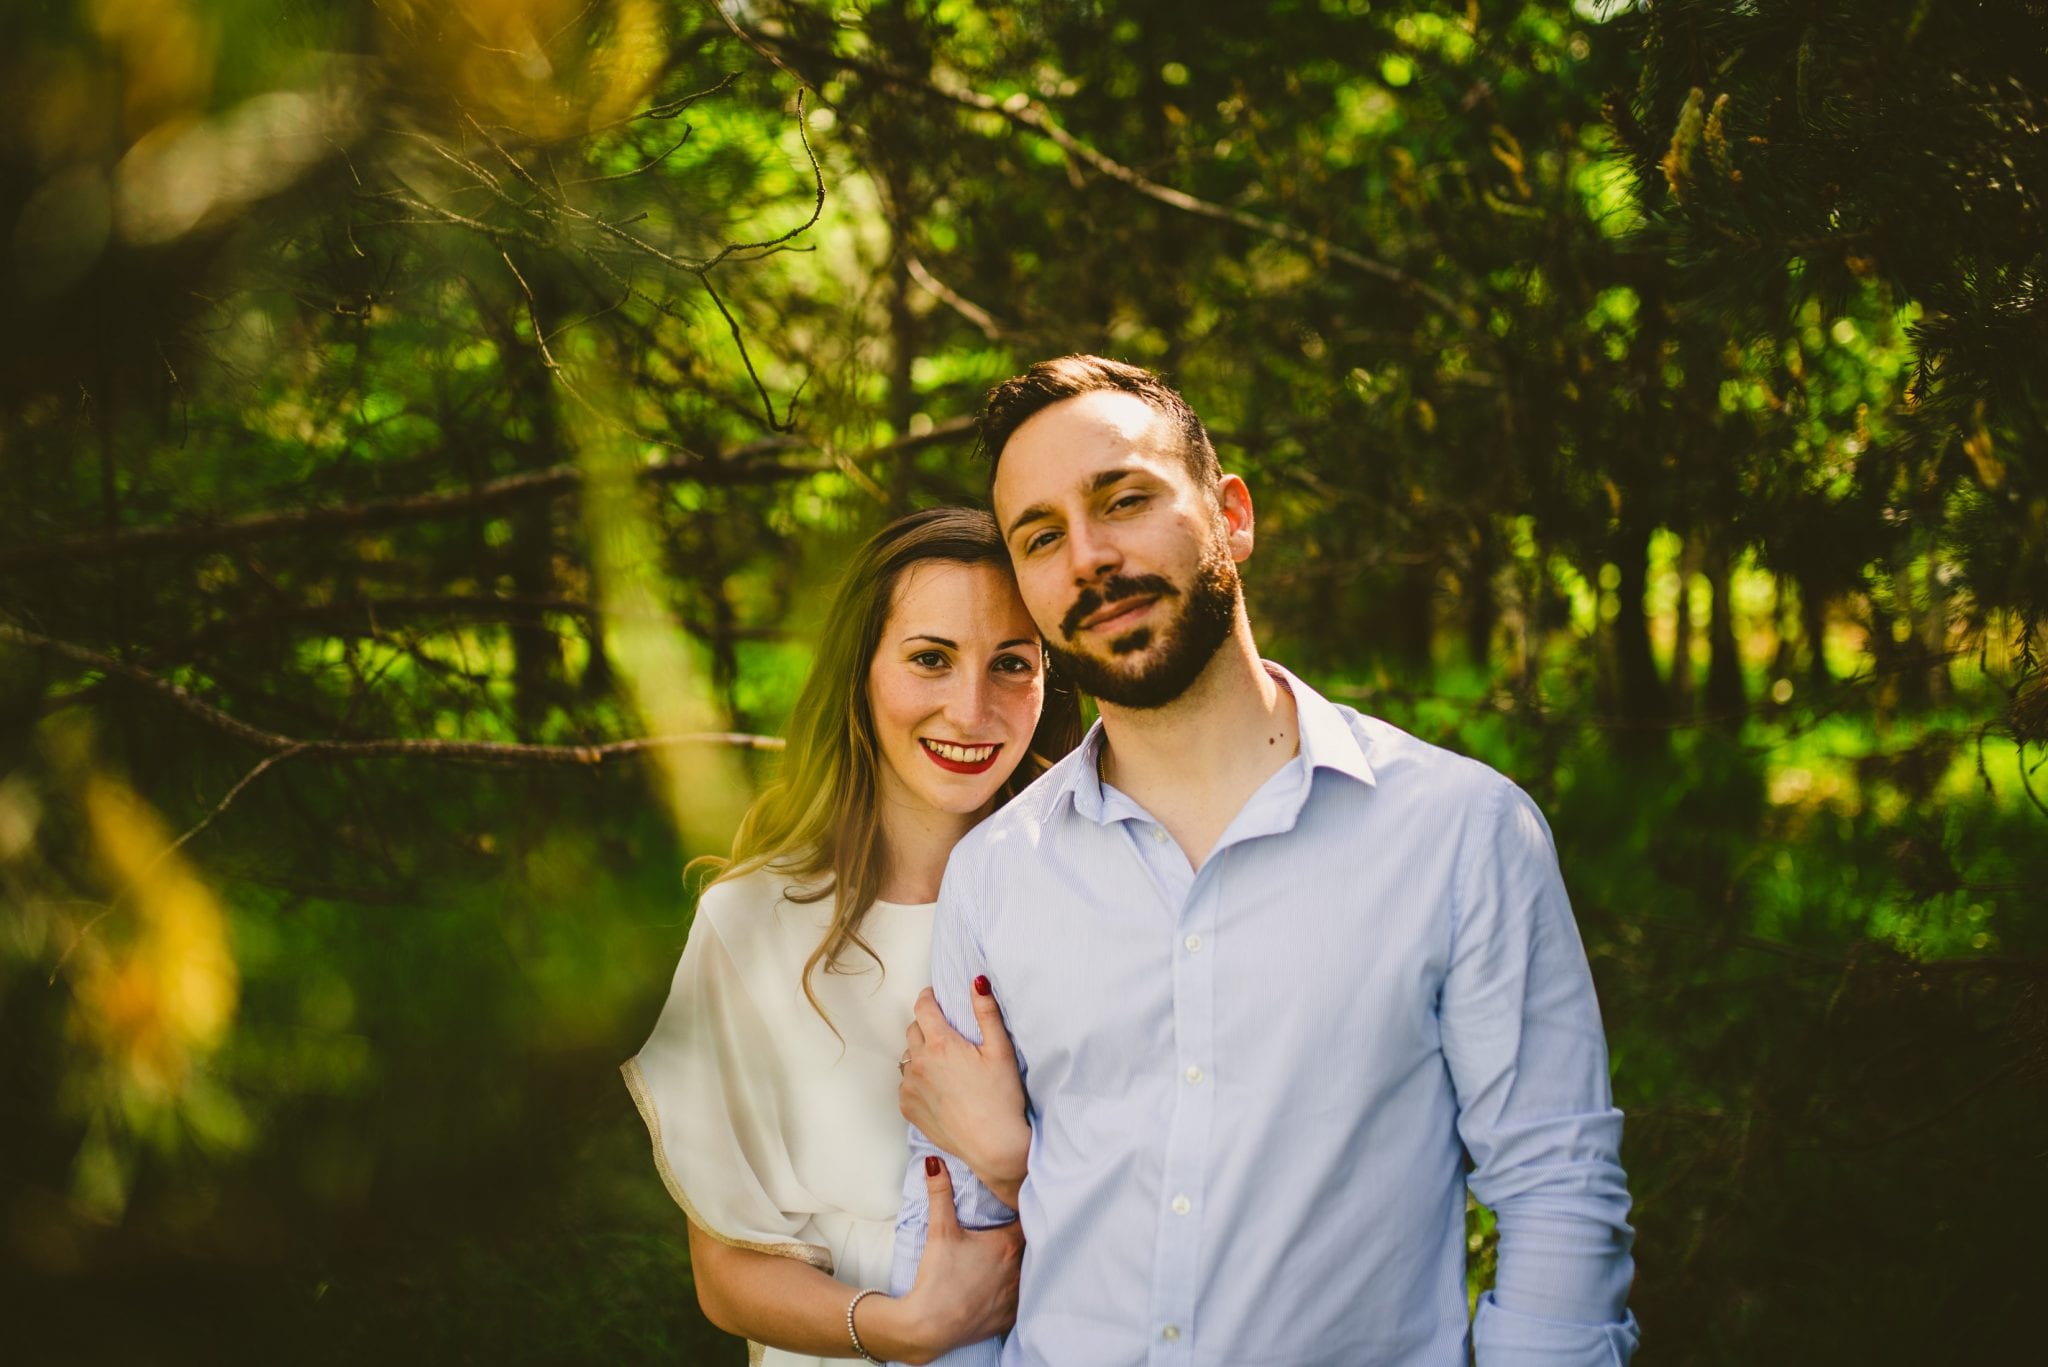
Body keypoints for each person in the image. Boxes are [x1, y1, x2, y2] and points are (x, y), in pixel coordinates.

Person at [890, 357, 1639, 1365]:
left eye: (1124, 499)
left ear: (1230, 515)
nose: (1089, 557)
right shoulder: (995, 873)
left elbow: (1556, 1191)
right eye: (1041, 536)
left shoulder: (1460, 835)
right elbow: (948, 1234)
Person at [623, 507, 1082, 1366]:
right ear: (860, 671)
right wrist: (905, 1327)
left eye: (1011, 664)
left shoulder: (1096, 894)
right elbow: (725, 1270)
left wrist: (1012, 1157)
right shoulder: (753, 921)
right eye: (930, 658)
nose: (971, 707)